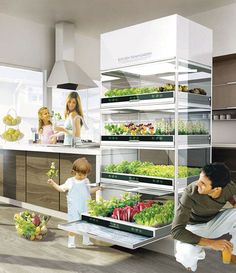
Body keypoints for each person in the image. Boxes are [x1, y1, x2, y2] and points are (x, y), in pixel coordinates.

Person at [171, 162, 236, 271]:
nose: (198, 184)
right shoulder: (190, 192)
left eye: (203, 184)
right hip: (193, 229)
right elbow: (176, 231)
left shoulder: (229, 186)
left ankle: (233, 250)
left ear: (217, 189)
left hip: (214, 222)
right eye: (199, 180)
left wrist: (233, 202)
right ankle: (192, 262)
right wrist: (212, 243)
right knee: (186, 255)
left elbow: (229, 193)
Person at [48, 157, 100, 248]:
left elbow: (89, 191)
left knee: (86, 224)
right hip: (74, 209)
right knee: (73, 225)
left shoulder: (86, 181)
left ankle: (86, 240)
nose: (82, 176)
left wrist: (97, 188)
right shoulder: (70, 181)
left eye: (84, 175)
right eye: (80, 174)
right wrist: (53, 183)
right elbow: (61, 188)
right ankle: (71, 242)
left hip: (86, 207)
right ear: (74, 171)